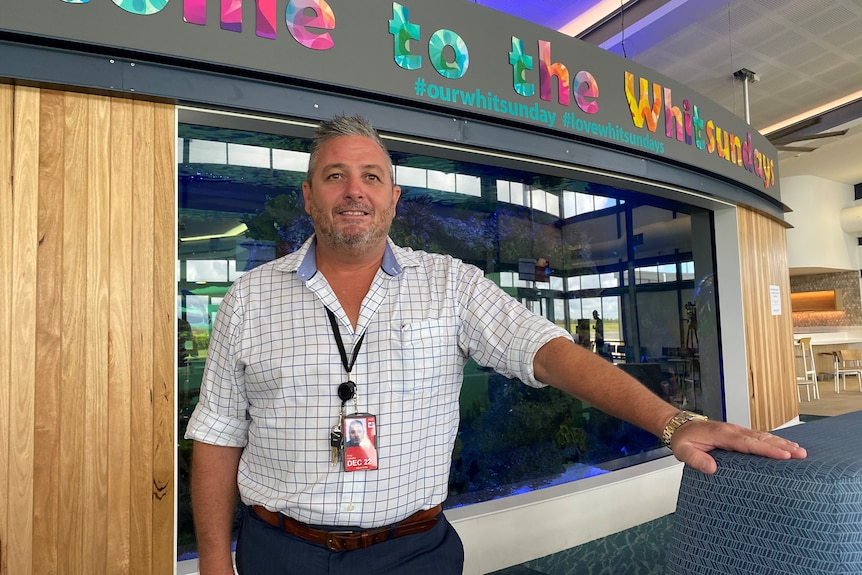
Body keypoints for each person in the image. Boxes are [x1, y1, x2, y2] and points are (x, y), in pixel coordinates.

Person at [185, 114, 807, 575]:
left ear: (393, 199)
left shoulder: (451, 285)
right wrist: (215, 562)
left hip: (415, 554)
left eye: (371, 176)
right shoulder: (248, 298)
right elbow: (217, 435)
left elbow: (547, 350)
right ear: (309, 195)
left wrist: (672, 424)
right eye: (335, 176)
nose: (355, 191)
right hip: (280, 553)